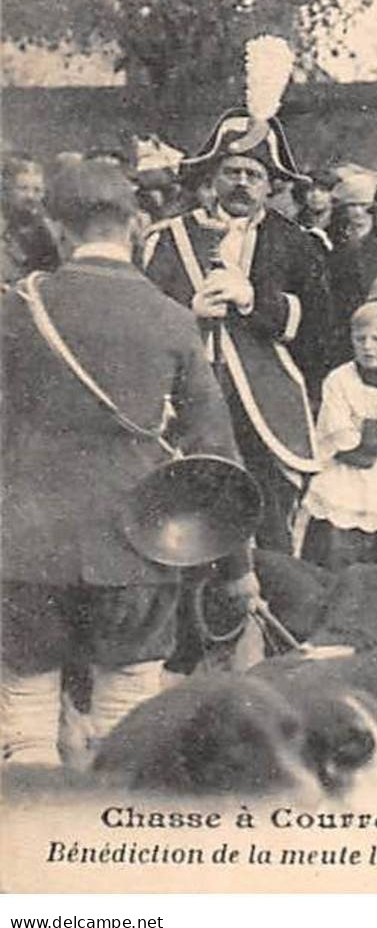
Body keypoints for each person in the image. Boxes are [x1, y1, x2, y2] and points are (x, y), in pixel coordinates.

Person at [1, 159, 239, 765]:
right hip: (138, 543)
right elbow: (214, 454)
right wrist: (237, 568)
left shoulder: (17, 311)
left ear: (57, 228)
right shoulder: (172, 318)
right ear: (135, 225)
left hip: (25, 545)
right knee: (126, 720)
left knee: (26, 721)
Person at [143, 106, 332, 553]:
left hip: (267, 411)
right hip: (186, 403)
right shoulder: (168, 239)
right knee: (187, 520)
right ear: (213, 177)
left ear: (271, 186)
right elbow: (145, 319)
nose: (242, 182)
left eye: (253, 174)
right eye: (232, 172)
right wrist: (188, 315)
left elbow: (323, 333)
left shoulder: (299, 244)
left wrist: (255, 302)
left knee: (269, 524)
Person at [298, 299, 377, 571]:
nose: (368, 346)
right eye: (360, 339)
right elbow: (344, 440)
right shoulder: (340, 380)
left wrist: (375, 433)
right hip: (344, 482)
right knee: (336, 555)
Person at [2, 155, 64, 286]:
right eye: (22, 188)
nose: (30, 196)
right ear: (7, 191)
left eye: (37, 190)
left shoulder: (52, 231)